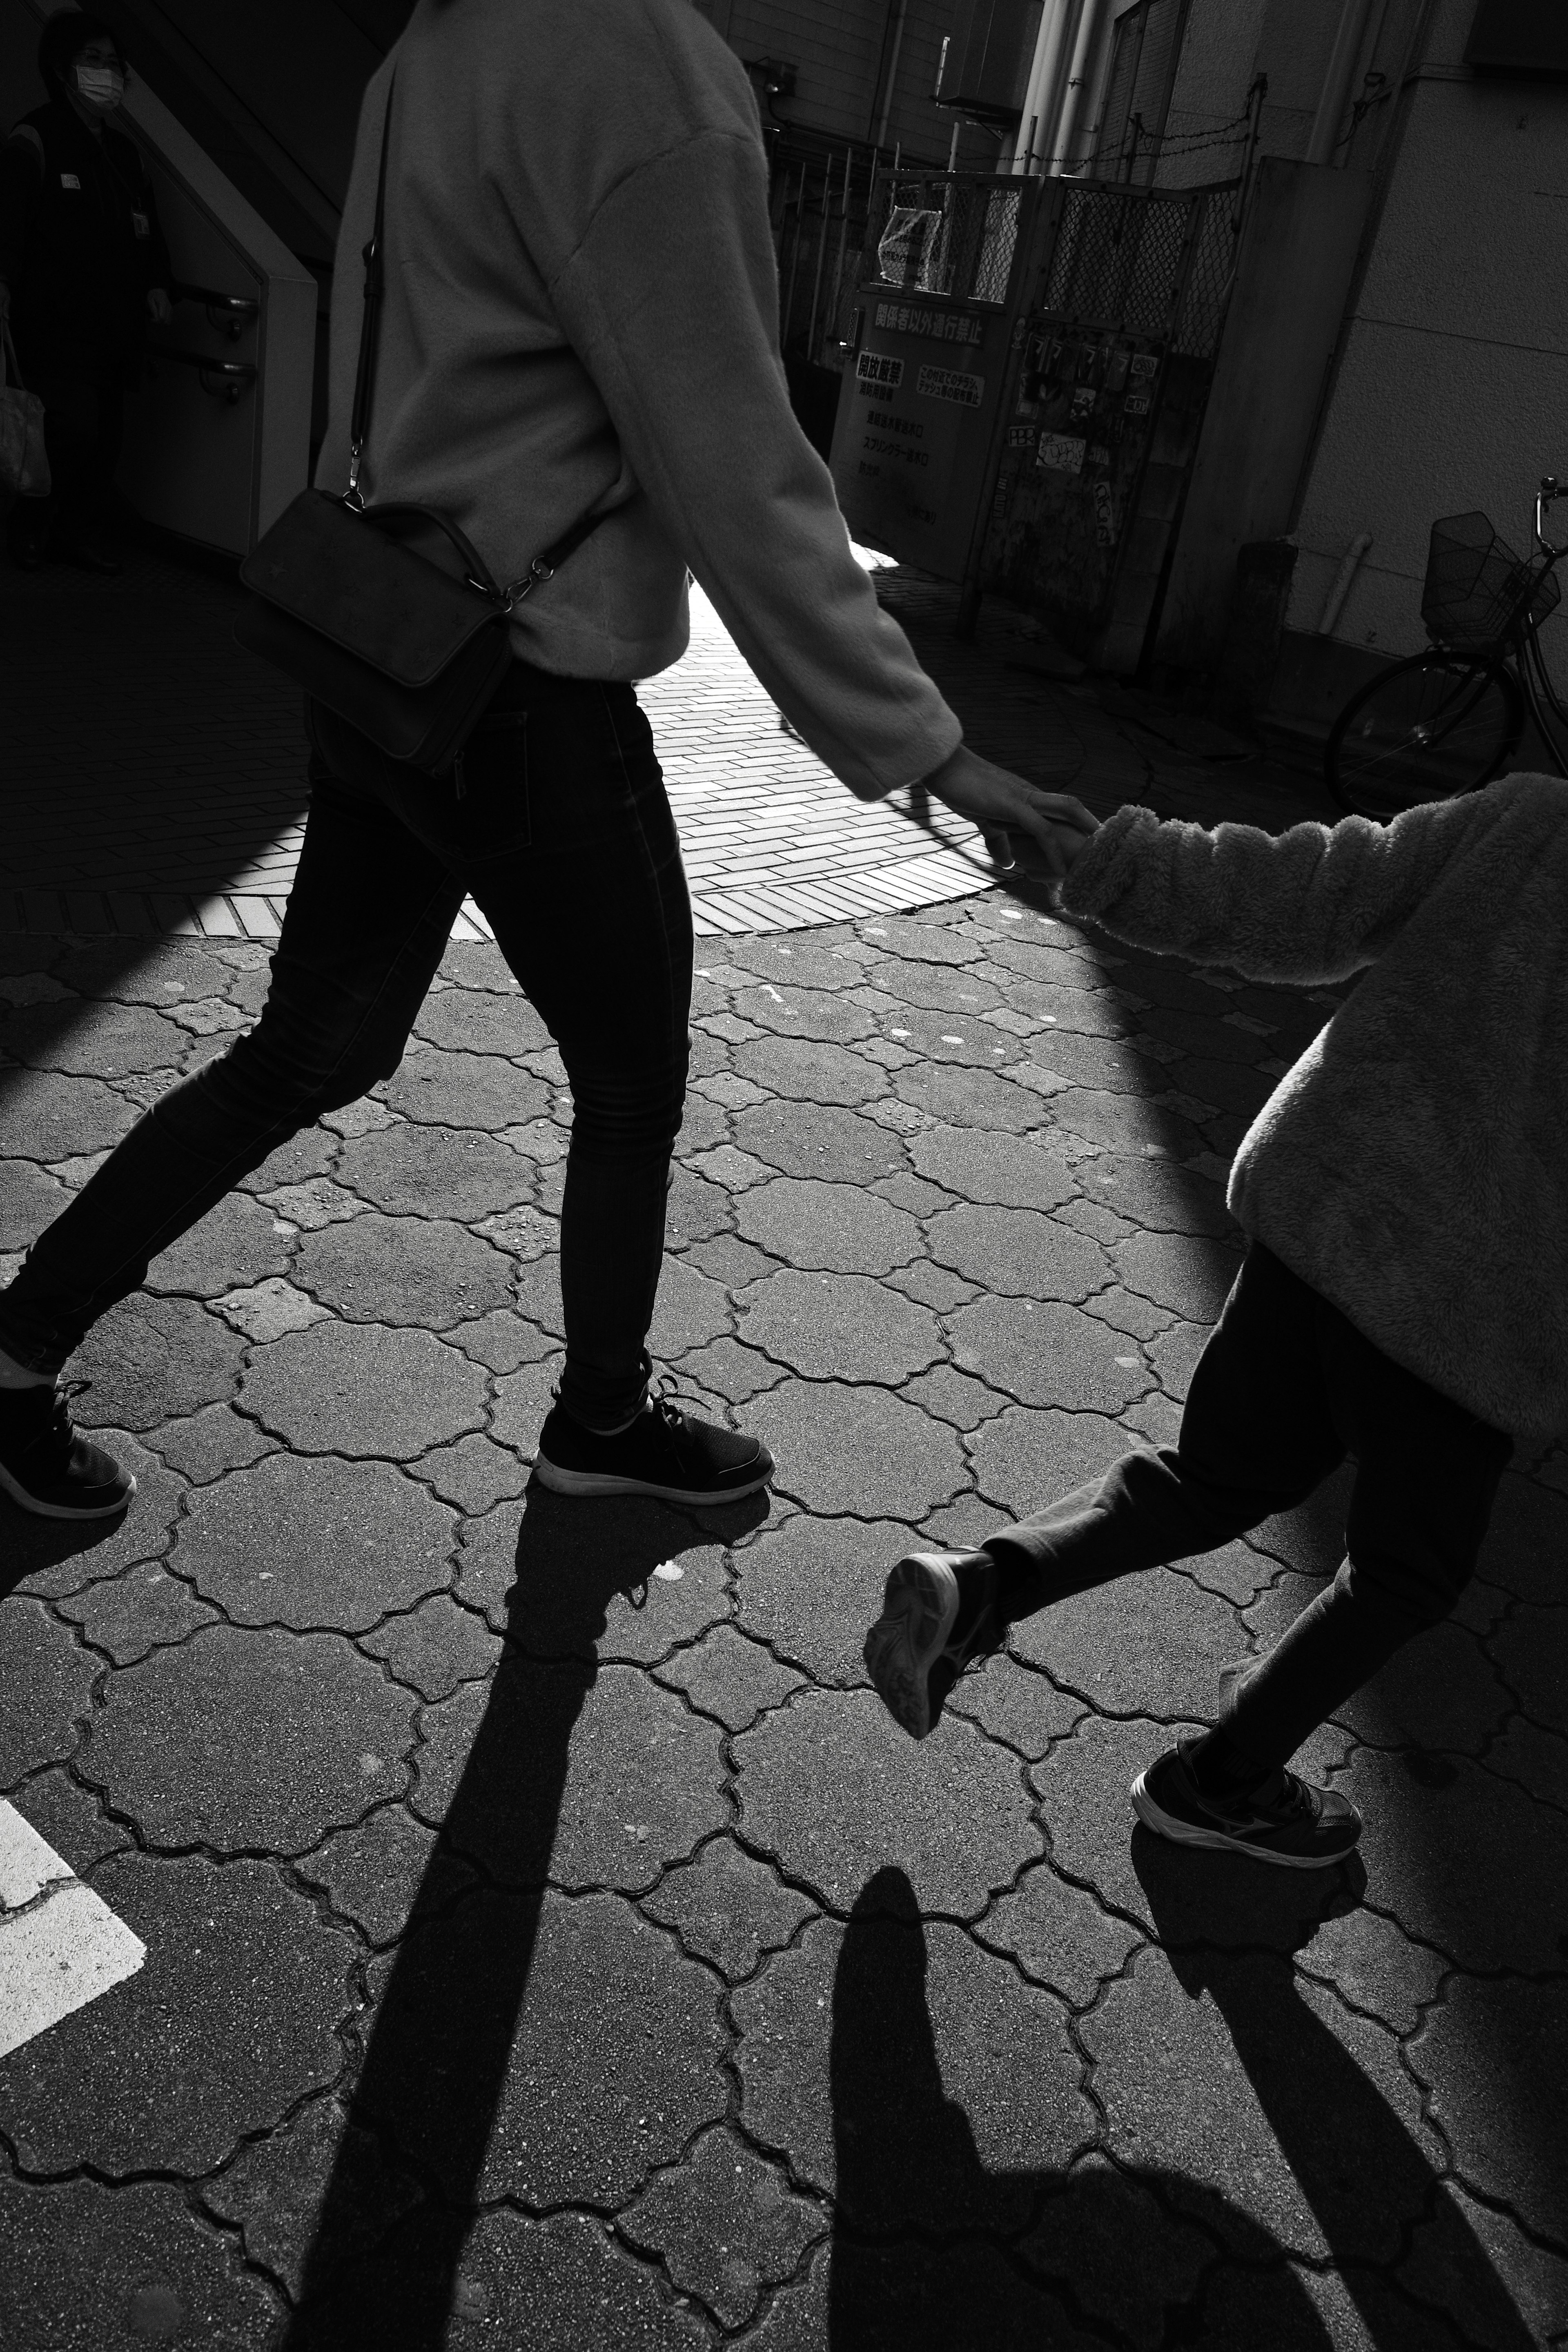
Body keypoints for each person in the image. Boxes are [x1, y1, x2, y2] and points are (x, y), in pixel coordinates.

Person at [0, 0, 1096, 1522]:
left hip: (385, 649)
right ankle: (602, 1424)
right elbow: (731, 446)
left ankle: (16, 1348)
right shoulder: (637, 63)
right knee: (633, 1081)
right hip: (524, 692)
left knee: (307, 1052)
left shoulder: (430, 50)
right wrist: (928, 749)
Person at [864, 770, 1566, 1868]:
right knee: (1403, 1575)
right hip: (1475, 1316)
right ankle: (1223, 1782)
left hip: (1326, 1207)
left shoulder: (1536, 816)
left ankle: (984, 1583)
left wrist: (1114, 861)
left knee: (1213, 1476)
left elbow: (1314, 890)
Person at [0, 9, 172, 574]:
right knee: (65, 429)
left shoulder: (125, 156)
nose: (108, 74)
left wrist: (156, 286)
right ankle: (30, 528)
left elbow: (149, 232)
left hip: (115, 327)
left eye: (114, 63)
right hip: (50, 323)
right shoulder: (36, 137)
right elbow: (10, 224)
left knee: (104, 441)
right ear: (62, 70)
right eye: (93, 62)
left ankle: (76, 534)